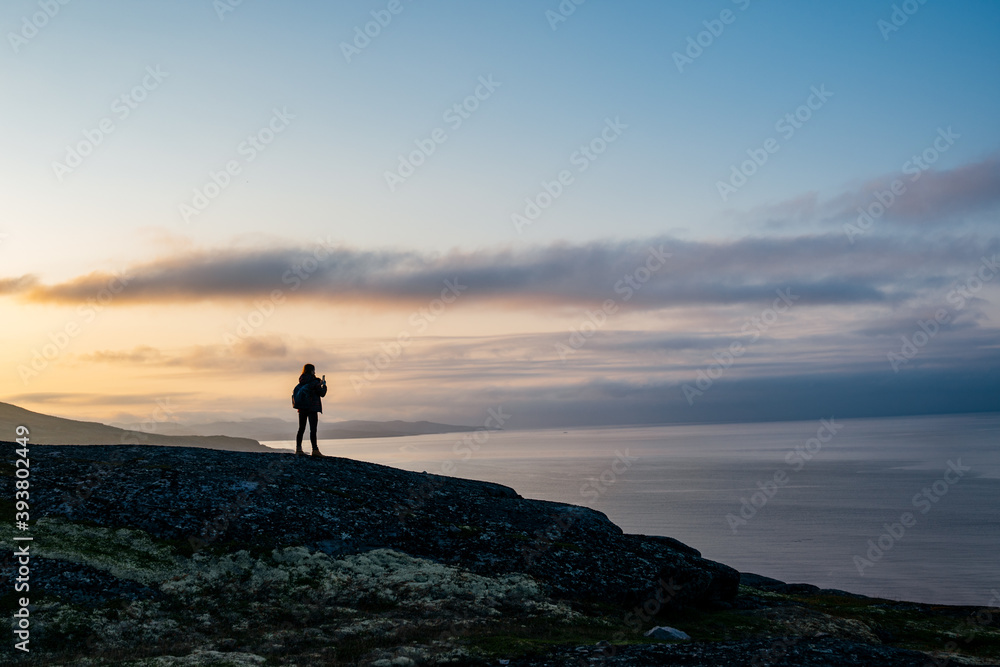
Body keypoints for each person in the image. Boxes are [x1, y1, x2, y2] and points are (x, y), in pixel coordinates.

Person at [294, 363, 328, 457]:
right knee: (313, 429)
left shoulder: (302, 380)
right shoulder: (315, 381)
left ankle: (298, 449)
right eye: (314, 370)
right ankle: (315, 450)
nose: (315, 372)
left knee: (301, 428)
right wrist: (323, 385)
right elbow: (322, 394)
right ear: (311, 371)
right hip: (312, 407)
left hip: (302, 408)